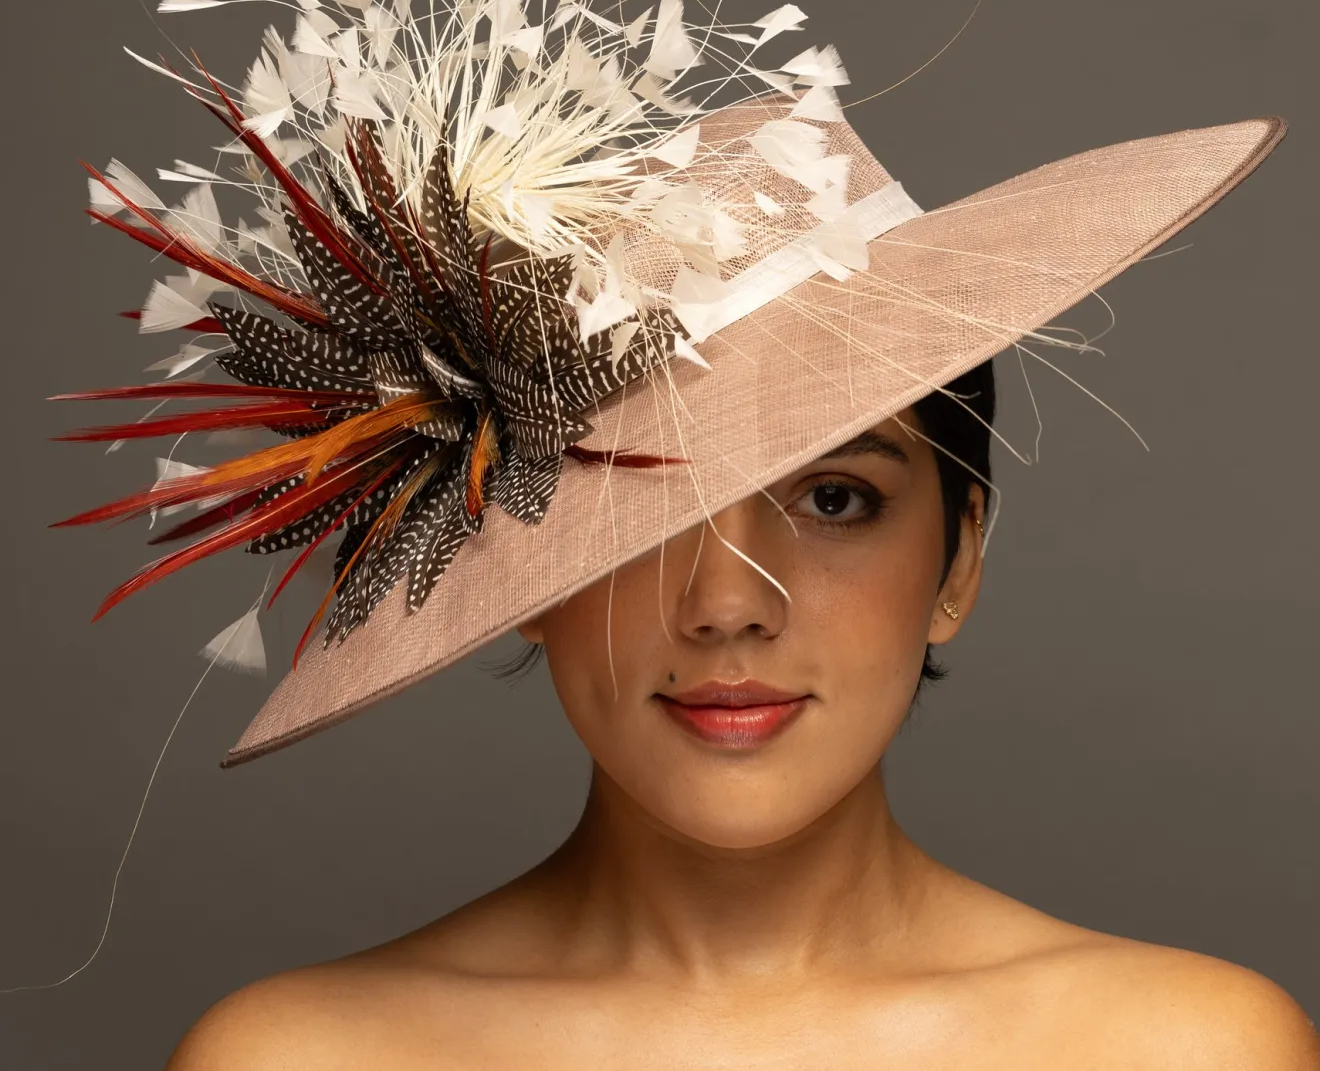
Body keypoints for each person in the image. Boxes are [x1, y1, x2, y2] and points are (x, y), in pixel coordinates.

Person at [164, 362, 1320, 1069]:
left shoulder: (1192, 1053)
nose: (726, 606)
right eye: (634, 502)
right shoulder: (296, 1060)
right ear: (522, 573)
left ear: (960, 561)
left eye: (835, 498)